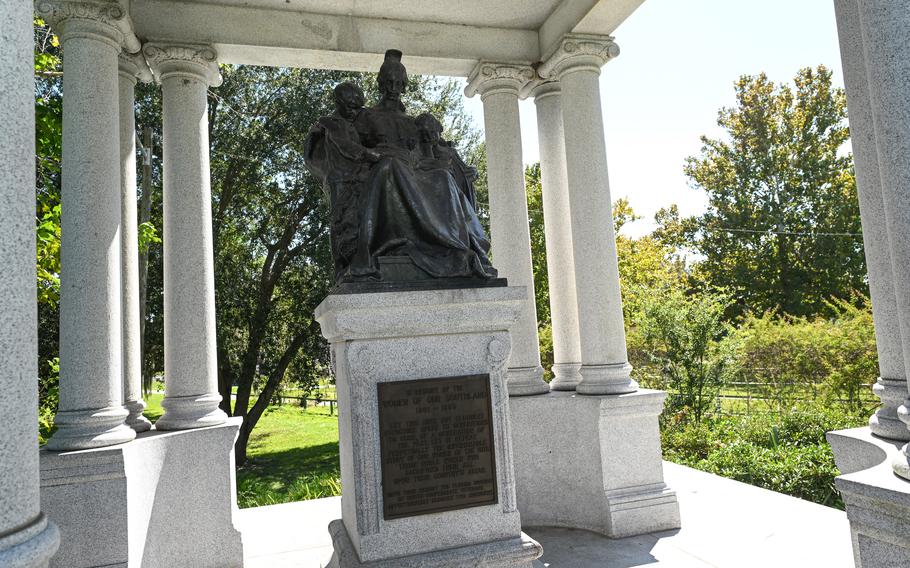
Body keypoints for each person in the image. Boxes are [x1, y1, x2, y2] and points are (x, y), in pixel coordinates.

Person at [349, 50, 497, 281]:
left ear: (405, 85)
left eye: (399, 82)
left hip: (415, 169)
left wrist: (458, 165)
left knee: (442, 177)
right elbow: (351, 147)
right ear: (381, 83)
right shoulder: (366, 117)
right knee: (391, 166)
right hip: (382, 166)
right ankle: (392, 243)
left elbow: (429, 149)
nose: (394, 87)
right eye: (389, 82)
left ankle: (452, 245)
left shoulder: (411, 122)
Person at [303, 82, 380, 280]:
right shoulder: (332, 123)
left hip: (357, 179)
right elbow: (346, 147)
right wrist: (371, 155)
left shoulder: (352, 121)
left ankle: (359, 263)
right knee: (344, 222)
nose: (355, 111)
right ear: (338, 103)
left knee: (361, 221)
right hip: (341, 180)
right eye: (350, 106)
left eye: (358, 106)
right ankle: (343, 268)